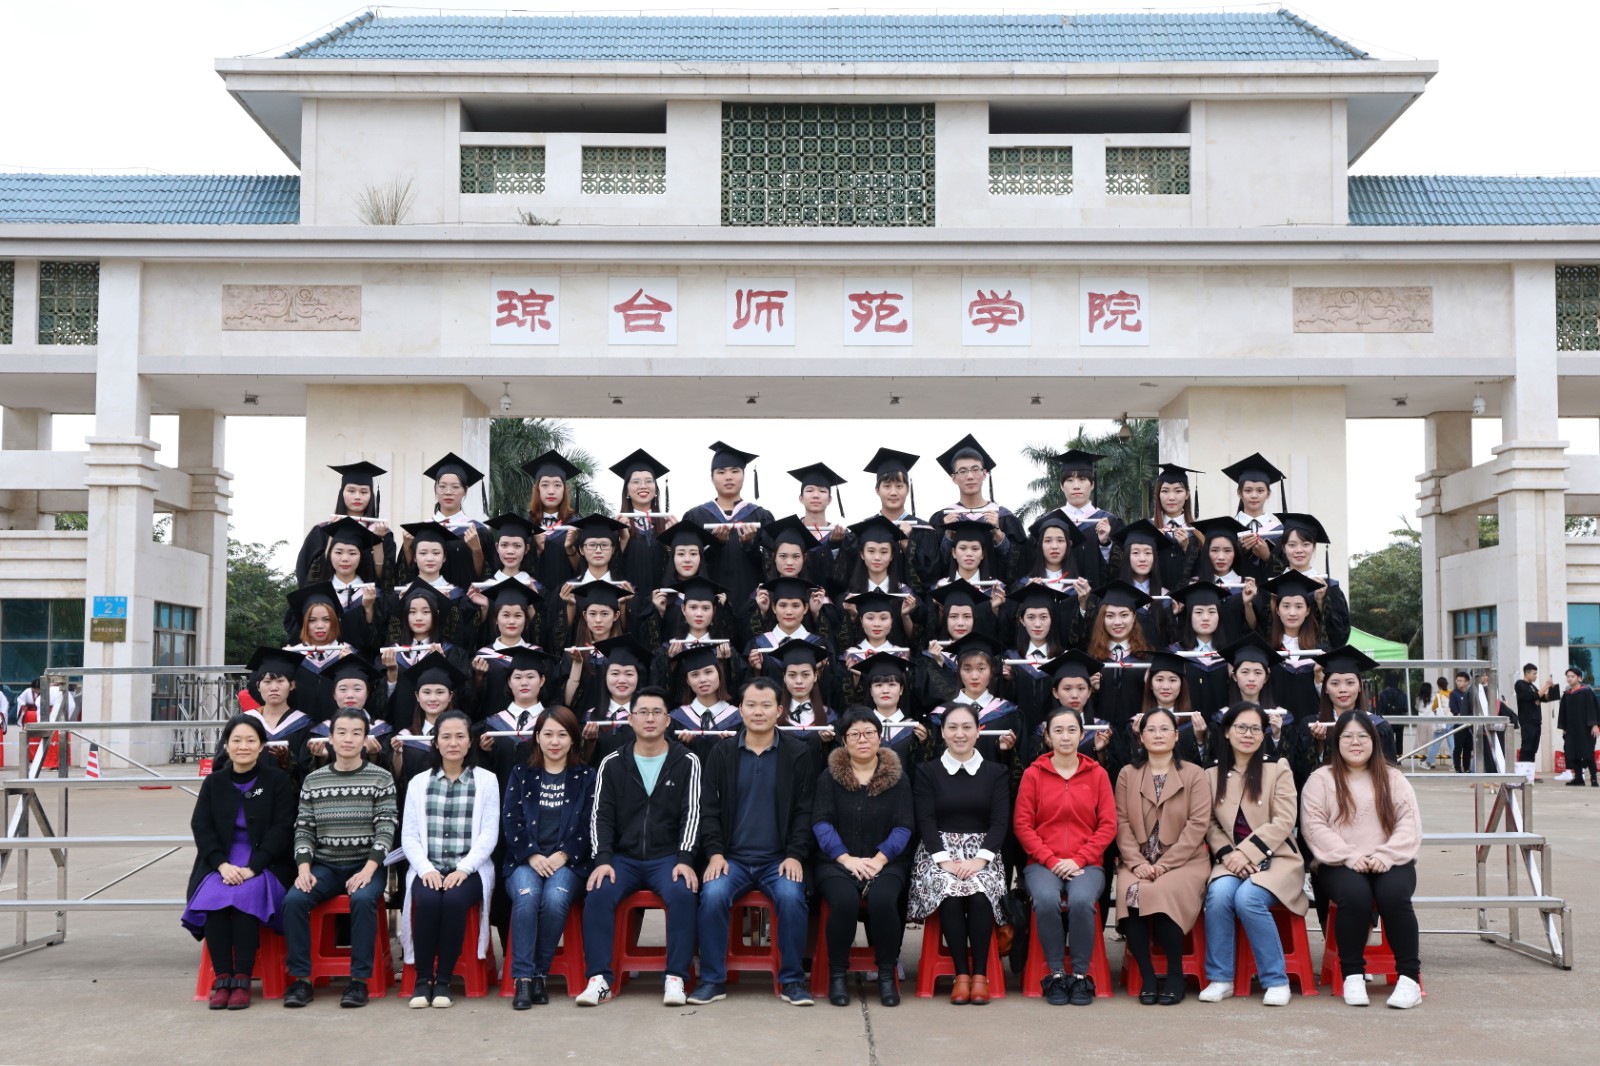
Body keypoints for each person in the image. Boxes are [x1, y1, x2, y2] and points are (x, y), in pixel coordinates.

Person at [689, 677, 817, 1007]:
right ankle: (712, 980)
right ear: (740, 710)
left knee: (792, 897)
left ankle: (792, 981)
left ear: (779, 710)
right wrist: (715, 853)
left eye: (765, 705)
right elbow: (709, 809)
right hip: (732, 859)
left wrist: (795, 855)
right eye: (751, 705)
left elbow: (805, 811)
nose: (758, 712)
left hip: (779, 860)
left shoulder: (797, 754)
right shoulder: (722, 752)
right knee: (712, 895)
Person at [579, 686, 703, 1007]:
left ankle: (675, 978)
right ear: (630, 719)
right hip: (623, 858)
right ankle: (599, 979)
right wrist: (603, 859)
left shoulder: (687, 761)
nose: (650, 718)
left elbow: (693, 813)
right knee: (598, 891)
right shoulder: (612, 763)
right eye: (643, 712)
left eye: (657, 712)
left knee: (683, 892)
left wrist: (685, 858)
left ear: (668, 720)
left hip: (668, 857)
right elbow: (600, 816)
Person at [1299, 710, 1423, 1009]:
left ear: (1374, 740)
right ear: (1336, 741)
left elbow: (1409, 822)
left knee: (1394, 895)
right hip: (1339, 862)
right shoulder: (1320, 779)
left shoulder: (1393, 778)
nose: (1356, 742)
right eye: (1348, 736)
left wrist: (1386, 854)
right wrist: (1349, 856)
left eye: (1363, 736)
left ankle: (1409, 979)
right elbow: (1313, 826)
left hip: (1390, 859)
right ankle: (1353, 974)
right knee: (1355, 896)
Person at [281, 707, 399, 1008]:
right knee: (294, 900)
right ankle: (301, 980)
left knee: (363, 899)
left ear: (365, 739)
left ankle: (359, 982)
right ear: (330, 738)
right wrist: (304, 869)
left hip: (366, 864)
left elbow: (386, 828)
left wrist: (369, 870)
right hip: (325, 866)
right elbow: (304, 828)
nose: (348, 739)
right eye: (341, 733)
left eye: (356, 733)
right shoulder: (314, 780)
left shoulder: (381, 778)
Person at [182, 714, 298, 1010]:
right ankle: (223, 979)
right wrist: (221, 865)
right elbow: (202, 827)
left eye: (250, 740)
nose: (243, 746)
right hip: (221, 864)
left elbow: (282, 829)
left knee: (245, 897)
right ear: (226, 745)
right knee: (215, 898)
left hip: (265, 864)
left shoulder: (276, 781)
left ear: (261, 745)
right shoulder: (214, 782)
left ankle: (243, 979)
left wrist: (252, 868)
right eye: (236, 740)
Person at [1198, 703, 1307, 1007]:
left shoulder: (1277, 767)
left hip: (1278, 858)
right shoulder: (1212, 773)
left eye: (1255, 729)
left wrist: (1246, 854)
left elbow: (1284, 820)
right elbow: (1209, 822)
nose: (1248, 734)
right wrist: (1228, 855)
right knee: (1219, 895)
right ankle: (1221, 978)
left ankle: (1276, 980)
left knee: (1248, 898)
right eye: (1241, 727)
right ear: (1227, 732)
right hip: (1230, 858)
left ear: (1263, 734)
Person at [395, 710, 500, 1008]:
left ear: (470, 742)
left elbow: (489, 834)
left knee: (453, 901)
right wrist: (425, 869)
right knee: (428, 902)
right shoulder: (419, 783)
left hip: (470, 870)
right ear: (436, 742)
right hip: (427, 868)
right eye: (446, 737)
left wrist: (464, 869)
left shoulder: (486, 781)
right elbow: (409, 836)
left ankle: (443, 982)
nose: (453, 743)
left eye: (460, 737)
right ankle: (422, 981)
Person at [907, 703, 1010, 1005]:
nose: (960, 734)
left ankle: (980, 976)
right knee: (950, 893)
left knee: (979, 893)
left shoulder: (996, 772)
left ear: (979, 731)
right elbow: (926, 820)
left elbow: (1000, 822)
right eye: (952, 727)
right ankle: (961, 975)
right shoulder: (927, 772)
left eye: (967, 727)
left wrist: (980, 860)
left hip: (984, 852)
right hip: (938, 853)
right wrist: (945, 861)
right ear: (942, 732)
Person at [811, 707, 914, 1007]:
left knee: (884, 899)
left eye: (869, 733)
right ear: (844, 740)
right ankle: (837, 975)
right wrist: (846, 859)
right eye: (854, 734)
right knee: (844, 900)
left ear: (880, 737)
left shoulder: (898, 778)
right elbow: (821, 823)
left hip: (886, 862)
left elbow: (904, 826)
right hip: (836, 863)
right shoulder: (829, 777)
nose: (863, 739)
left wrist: (880, 859)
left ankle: (886, 974)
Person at [1013, 705, 1115, 1006]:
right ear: (1048, 737)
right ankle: (1056, 975)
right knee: (1046, 900)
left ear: (1082, 735)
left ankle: (1081, 977)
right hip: (1043, 864)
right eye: (1058, 731)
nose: (1066, 736)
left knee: (1082, 901)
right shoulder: (1033, 774)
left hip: (1087, 864)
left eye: (1072, 730)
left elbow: (1108, 825)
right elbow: (1023, 825)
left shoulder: (1097, 774)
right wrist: (1051, 860)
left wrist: (1079, 859)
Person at [1113, 707, 1212, 1006]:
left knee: (1162, 892)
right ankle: (1147, 975)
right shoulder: (1127, 774)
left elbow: (1198, 825)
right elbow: (1121, 822)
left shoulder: (1194, 774)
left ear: (1176, 735)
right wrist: (1137, 862)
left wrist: (1165, 865)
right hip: (1138, 860)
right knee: (1131, 892)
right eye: (1151, 730)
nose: (1158, 735)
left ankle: (1175, 975)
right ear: (1141, 737)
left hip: (1185, 861)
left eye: (1164, 729)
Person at [502, 705, 595, 1008]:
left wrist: (564, 854)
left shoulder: (586, 776)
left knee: (555, 898)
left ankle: (539, 973)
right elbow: (511, 820)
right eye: (548, 734)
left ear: (574, 739)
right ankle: (523, 980)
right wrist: (531, 855)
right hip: (525, 861)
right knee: (527, 896)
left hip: (568, 862)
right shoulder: (521, 774)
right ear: (537, 738)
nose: (555, 741)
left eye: (562, 735)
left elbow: (590, 823)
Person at [680, 441, 773, 611]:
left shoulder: (761, 516)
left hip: (752, 604)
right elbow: (685, 565)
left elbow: (773, 566)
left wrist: (750, 545)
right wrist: (714, 545)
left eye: (735, 471)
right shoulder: (695, 517)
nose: (728, 477)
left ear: (744, 475)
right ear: (712, 477)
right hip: (708, 605)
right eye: (721, 472)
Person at [1557, 667, 1600, 786]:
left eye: (1572, 676)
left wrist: (1594, 724)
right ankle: (1578, 778)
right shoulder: (1567, 694)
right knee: (1572, 753)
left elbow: (1593, 709)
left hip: (1585, 729)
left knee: (1588, 753)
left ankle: (1593, 778)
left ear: (1579, 678)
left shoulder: (1587, 692)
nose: (1569, 679)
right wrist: (1564, 728)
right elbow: (1563, 712)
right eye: (1568, 676)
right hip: (1571, 730)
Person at [1513, 663, 1559, 767]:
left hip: (1536, 721)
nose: (1536, 676)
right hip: (1527, 720)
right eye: (1534, 674)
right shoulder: (1520, 684)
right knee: (1527, 747)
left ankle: (1530, 772)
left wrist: (1553, 689)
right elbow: (1533, 696)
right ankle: (1523, 772)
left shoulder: (1532, 686)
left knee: (1533, 749)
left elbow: (1543, 698)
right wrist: (1546, 685)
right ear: (1527, 673)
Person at [1448, 670, 1474, 773]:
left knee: (1468, 747)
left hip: (1470, 725)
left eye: (1461, 680)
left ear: (1467, 682)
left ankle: (1467, 768)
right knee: (1458, 747)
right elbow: (1453, 708)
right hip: (1459, 724)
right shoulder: (1454, 694)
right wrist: (1459, 716)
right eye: (1457, 680)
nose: (1458, 683)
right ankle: (1457, 768)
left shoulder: (1470, 693)